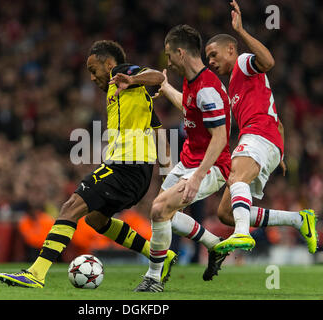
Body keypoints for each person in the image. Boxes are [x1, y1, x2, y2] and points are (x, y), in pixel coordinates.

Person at [0, 40, 178, 289]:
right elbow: (159, 135)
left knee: (71, 206)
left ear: (110, 65)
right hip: (136, 174)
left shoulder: (122, 74)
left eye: (94, 70)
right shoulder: (135, 97)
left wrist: (131, 79)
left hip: (126, 168)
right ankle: (159, 255)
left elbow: (157, 76)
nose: (92, 78)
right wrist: (168, 176)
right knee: (95, 219)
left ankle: (36, 273)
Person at [204, 0, 318, 254]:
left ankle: (242, 235)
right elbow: (277, 119)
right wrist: (280, 153)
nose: (210, 61)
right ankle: (298, 220)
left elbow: (268, 61)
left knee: (235, 178)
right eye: (208, 58)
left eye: (214, 54)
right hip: (266, 140)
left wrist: (241, 31)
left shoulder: (243, 62)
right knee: (225, 212)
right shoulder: (233, 85)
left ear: (231, 49)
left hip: (259, 136)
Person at [133, 24, 232, 292]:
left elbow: (220, 137)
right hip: (188, 161)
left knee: (159, 209)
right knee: (162, 213)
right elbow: (188, 106)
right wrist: (166, 87)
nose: (167, 61)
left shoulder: (208, 89)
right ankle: (215, 245)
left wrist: (197, 177)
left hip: (210, 167)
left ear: (180, 52)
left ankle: (154, 279)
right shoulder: (193, 82)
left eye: (168, 55)